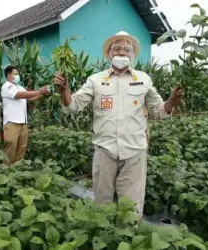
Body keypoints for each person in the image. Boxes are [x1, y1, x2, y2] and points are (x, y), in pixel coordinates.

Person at [54, 31, 184, 216]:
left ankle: (127, 240)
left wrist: (171, 101)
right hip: (104, 151)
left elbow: (159, 109)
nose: (122, 52)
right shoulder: (96, 80)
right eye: (117, 49)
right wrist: (64, 90)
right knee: (102, 204)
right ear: (109, 54)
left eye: (127, 49)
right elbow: (73, 105)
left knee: (130, 207)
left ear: (133, 55)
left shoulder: (143, 79)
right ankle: (104, 239)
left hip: (135, 151)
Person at [1, 65, 50, 165]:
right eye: (16, 74)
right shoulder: (6, 87)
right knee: (10, 148)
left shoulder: (19, 87)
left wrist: (42, 93)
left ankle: (17, 170)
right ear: (9, 75)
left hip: (23, 123)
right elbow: (20, 95)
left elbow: (30, 98)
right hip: (12, 123)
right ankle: (6, 172)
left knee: (21, 148)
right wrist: (39, 91)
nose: (18, 76)